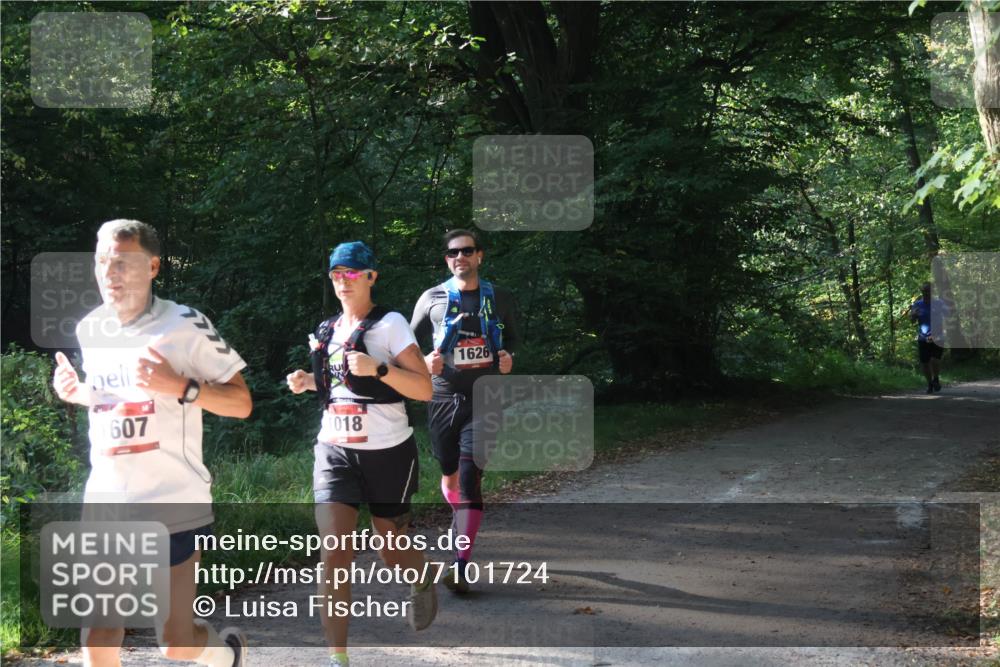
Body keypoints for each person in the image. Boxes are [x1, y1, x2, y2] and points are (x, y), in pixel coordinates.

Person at [51, 219, 252, 667]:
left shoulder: (184, 324)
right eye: (103, 261)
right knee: (97, 638)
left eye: (123, 262)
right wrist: (78, 392)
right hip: (107, 500)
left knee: (174, 642)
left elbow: (241, 403)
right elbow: (113, 399)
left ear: (154, 266)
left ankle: (225, 656)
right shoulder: (91, 328)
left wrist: (180, 384)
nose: (110, 272)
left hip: (173, 501)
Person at [285, 241, 436, 667]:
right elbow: (341, 388)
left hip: (388, 452)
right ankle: (338, 657)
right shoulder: (327, 329)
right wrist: (307, 381)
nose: (343, 280)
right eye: (336, 274)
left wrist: (382, 368)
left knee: (389, 547)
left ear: (371, 276)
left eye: (352, 273)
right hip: (334, 450)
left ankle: (420, 577)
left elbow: (424, 389)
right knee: (334, 550)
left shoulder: (390, 325)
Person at [410, 229, 519, 594]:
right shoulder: (432, 298)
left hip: (486, 398)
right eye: (453, 252)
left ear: (479, 256)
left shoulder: (499, 298)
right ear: (447, 259)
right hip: (443, 397)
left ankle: (460, 564)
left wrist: (509, 359)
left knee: (471, 476)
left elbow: (514, 341)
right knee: (450, 475)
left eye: (467, 251)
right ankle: (463, 518)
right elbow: (407, 349)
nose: (460, 257)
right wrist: (424, 362)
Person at [908, 281, 948, 394]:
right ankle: (930, 384)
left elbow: (949, 315)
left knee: (935, 360)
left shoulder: (939, 303)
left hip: (938, 336)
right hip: (923, 337)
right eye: (924, 291)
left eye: (928, 291)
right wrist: (913, 315)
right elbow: (912, 321)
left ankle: (936, 379)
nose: (926, 293)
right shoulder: (917, 304)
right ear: (922, 292)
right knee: (925, 363)